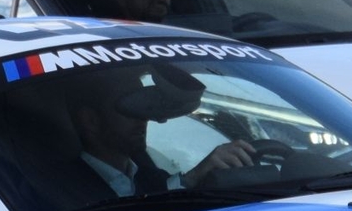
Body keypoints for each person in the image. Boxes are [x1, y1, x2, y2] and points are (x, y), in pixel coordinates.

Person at [63, 65, 258, 201]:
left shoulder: (149, 176)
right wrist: (193, 177)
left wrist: (192, 180)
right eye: (131, 107)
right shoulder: (64, 188)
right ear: (91, 120)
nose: (144, 118)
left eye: (145, 106)